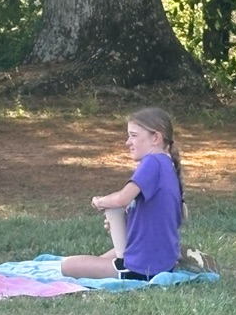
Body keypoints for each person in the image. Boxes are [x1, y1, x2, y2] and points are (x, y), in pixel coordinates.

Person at [61, 107, 184, 281]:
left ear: (156, 138)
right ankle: (107, 264)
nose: (128, 142)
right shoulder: (166, 165)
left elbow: (122, 198)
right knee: (102, 259)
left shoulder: (152, 162)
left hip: (143, 267)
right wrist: (124, 223)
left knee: (67, 265)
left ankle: (115, 268)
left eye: (134, 135)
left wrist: (100, 201)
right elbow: (157, 220)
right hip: (160, 261)